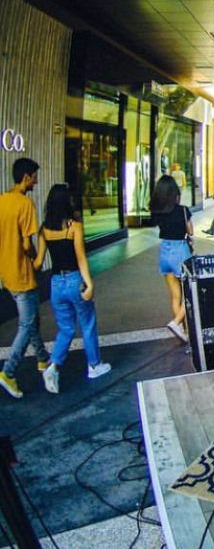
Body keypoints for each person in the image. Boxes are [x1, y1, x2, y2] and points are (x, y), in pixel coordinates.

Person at [34, 184, 110, 393]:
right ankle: (94, 365)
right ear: (66, 202)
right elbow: (81, 257)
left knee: (66, 328)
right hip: (75, 280)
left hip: (56, 283)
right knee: (87, 324)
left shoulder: (44, 230)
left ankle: (53, 366)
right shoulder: (74, 227)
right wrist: (89, 283)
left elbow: (38, 262)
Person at [0, 158, 50, 399]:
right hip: (22, 272)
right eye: (35, 177)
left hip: (7, 271)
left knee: (32, 319)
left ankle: (43, 359)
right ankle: (8, 372)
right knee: (27, 324)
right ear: (26, 177)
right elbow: (27, 244)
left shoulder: (2, 201)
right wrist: (36, 259)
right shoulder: (25, 204)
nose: (36, 181)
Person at [150, 174, 193, 342]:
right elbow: (190, 231)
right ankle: (176, 323)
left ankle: (184, 331)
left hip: (165, 251)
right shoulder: (183, 210)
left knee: (176, 296)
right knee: (190, 292)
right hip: (180, 251)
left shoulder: (158, 212)